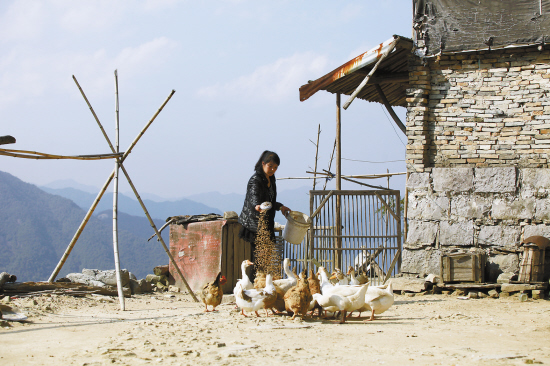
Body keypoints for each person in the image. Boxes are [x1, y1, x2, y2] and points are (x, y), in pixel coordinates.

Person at [238, 150, 291, 278]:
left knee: (266, 256)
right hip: (254, 223)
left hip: (267, 222)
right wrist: (257, 205)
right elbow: (253, 197)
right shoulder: (255, 179)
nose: (272, 169)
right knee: (257, 257)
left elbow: (270, 201)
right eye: (270, 166)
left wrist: (280, 206)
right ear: (263, 163)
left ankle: (262, 282)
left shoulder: (271, 179)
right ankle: (255, 283)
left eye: (275, 167)